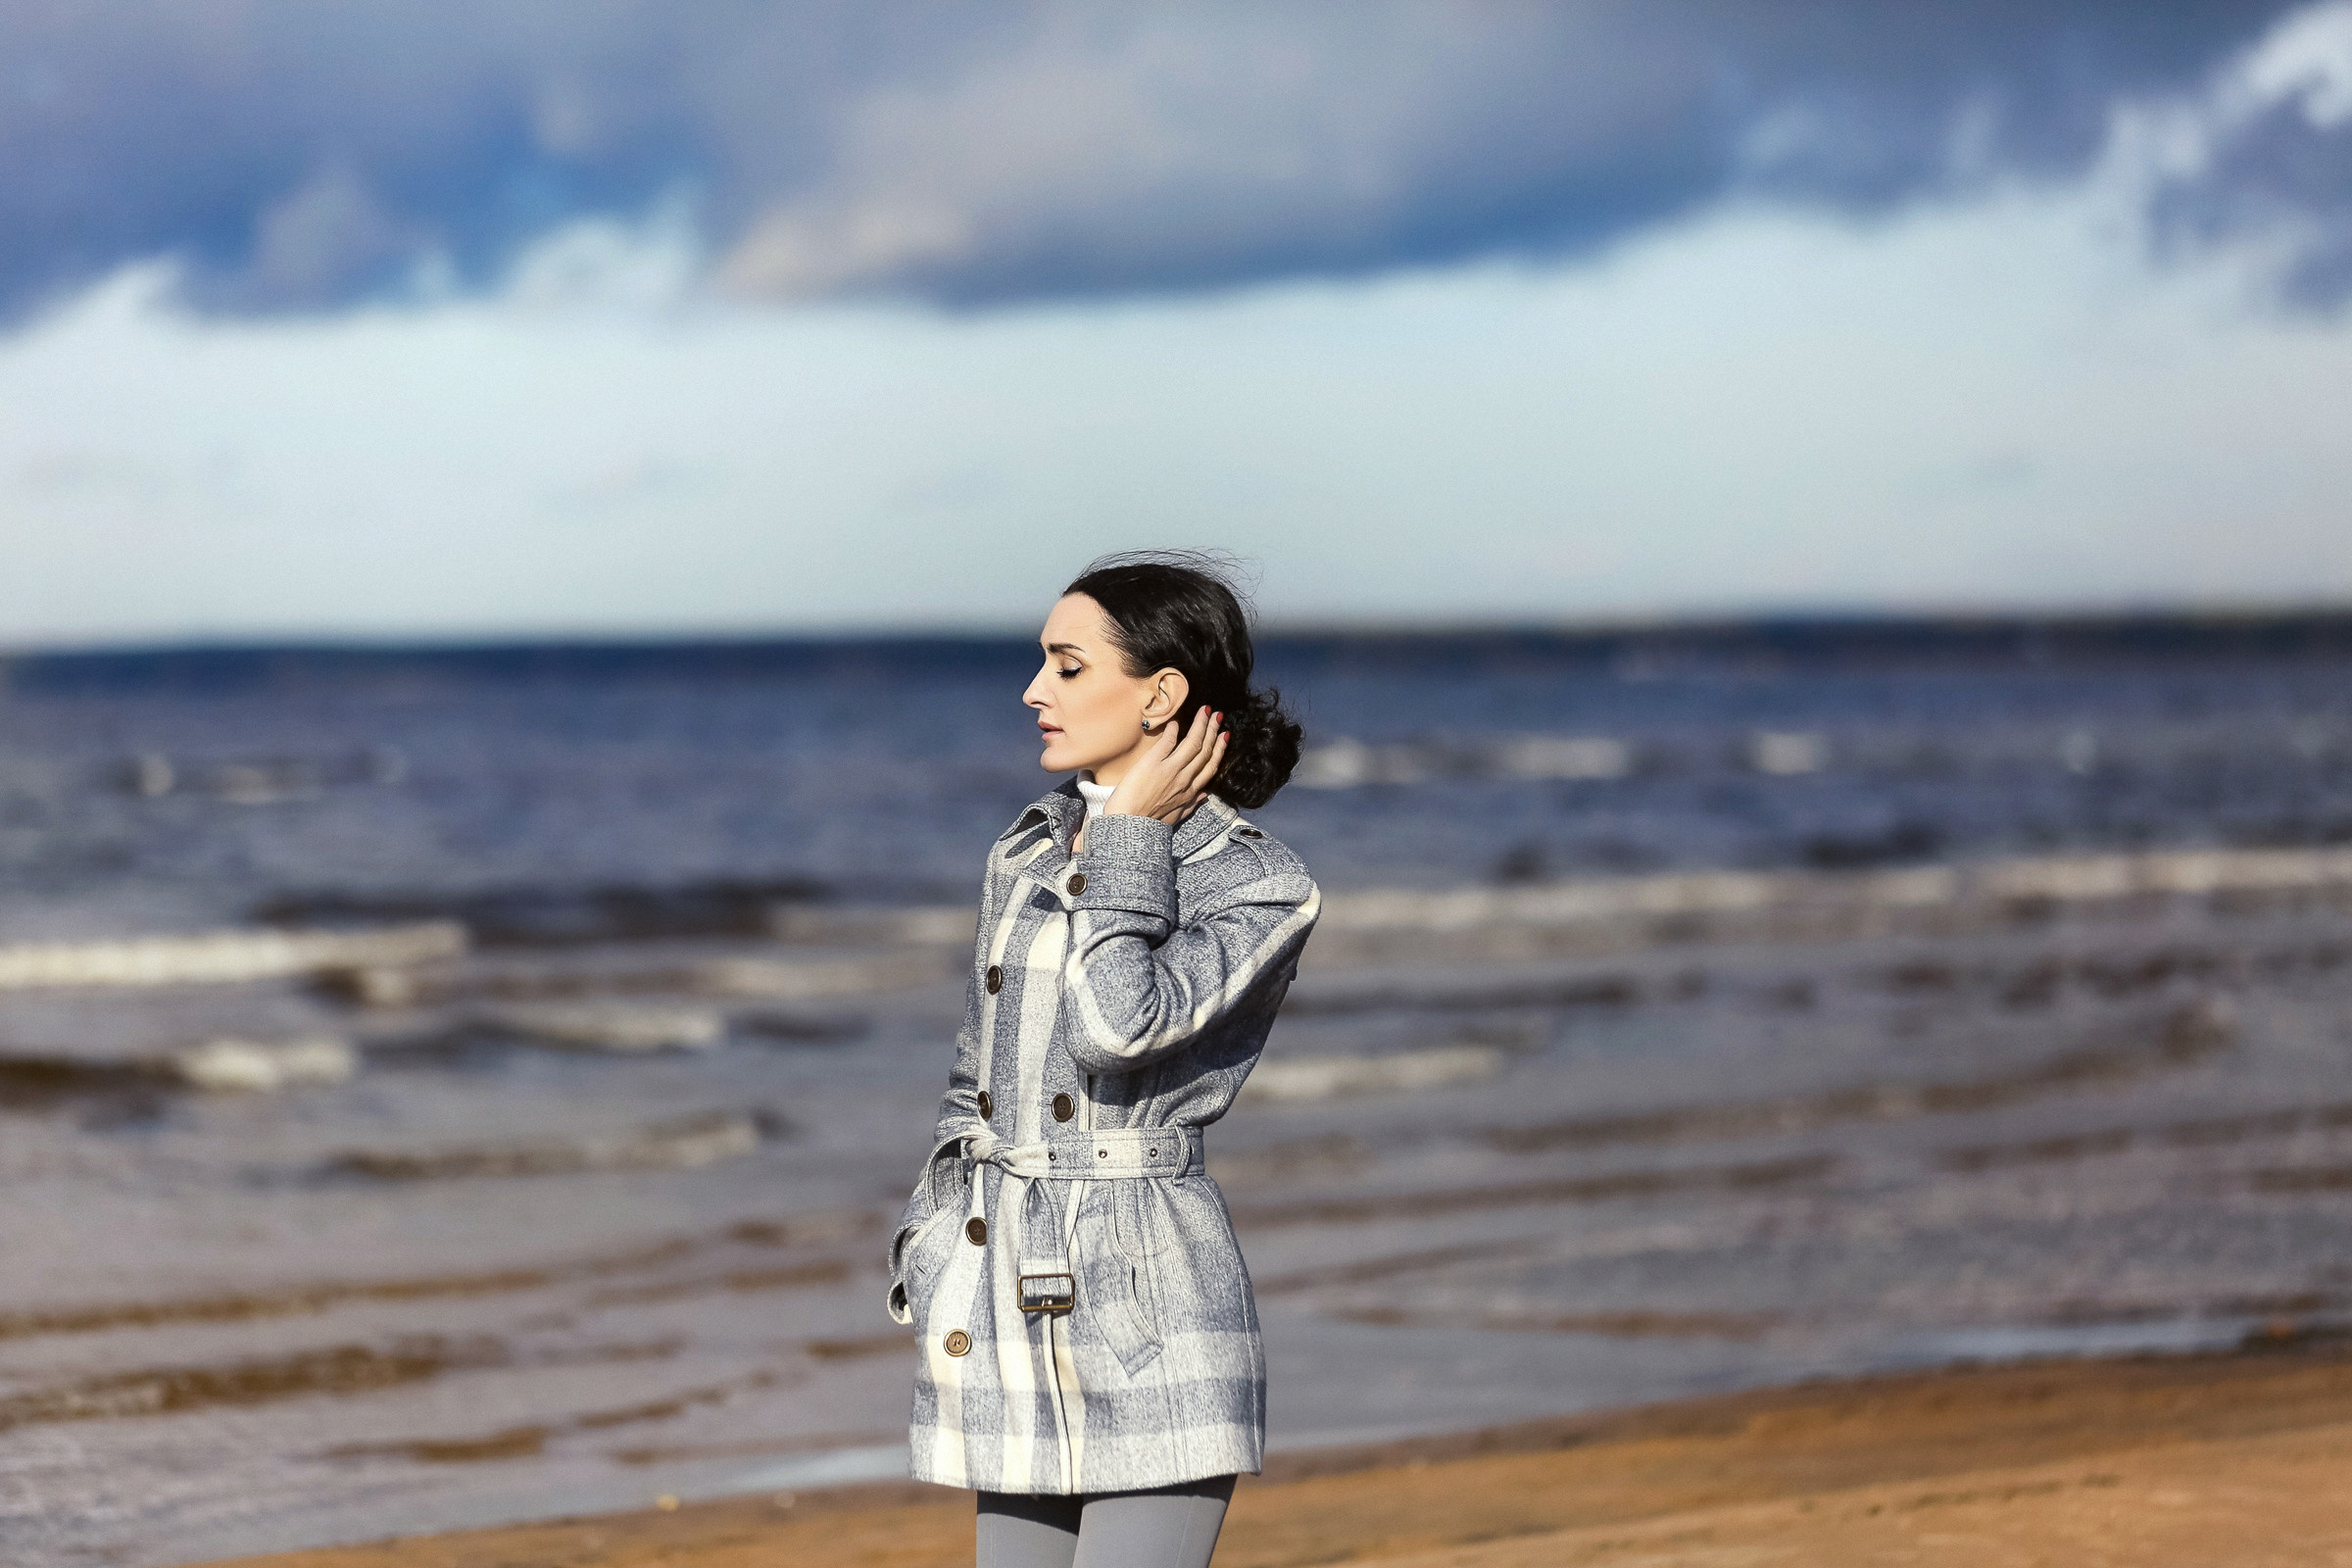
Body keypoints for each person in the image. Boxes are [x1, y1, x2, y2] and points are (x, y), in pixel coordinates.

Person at [885, 551, 1319, 1568]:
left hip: (1146, 1299)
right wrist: (933, 1232)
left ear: (1161, 692)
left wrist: (1126, 840)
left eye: (1068, 665)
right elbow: (974, 1071)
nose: (1035, 690)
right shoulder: (1028, 848)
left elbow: (1117, 1028)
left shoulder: (1257, 882)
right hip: (1004, 1284)